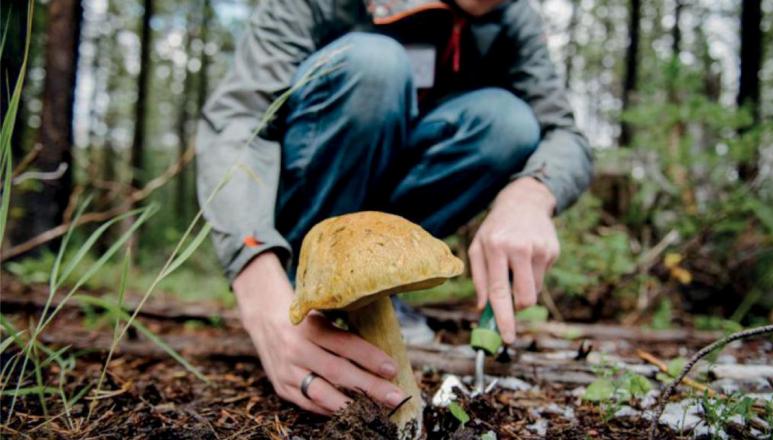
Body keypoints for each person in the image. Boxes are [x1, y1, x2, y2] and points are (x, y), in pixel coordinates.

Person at [196, 0, 593, 416]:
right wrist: (255, 273)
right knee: (374, 64)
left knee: (508, 122)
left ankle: (381, 290)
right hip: (306, 203)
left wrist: (530, 195)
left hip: (400, 188)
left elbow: (564, 133)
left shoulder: (511, 20)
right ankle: (304, 291)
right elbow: (238, 117)